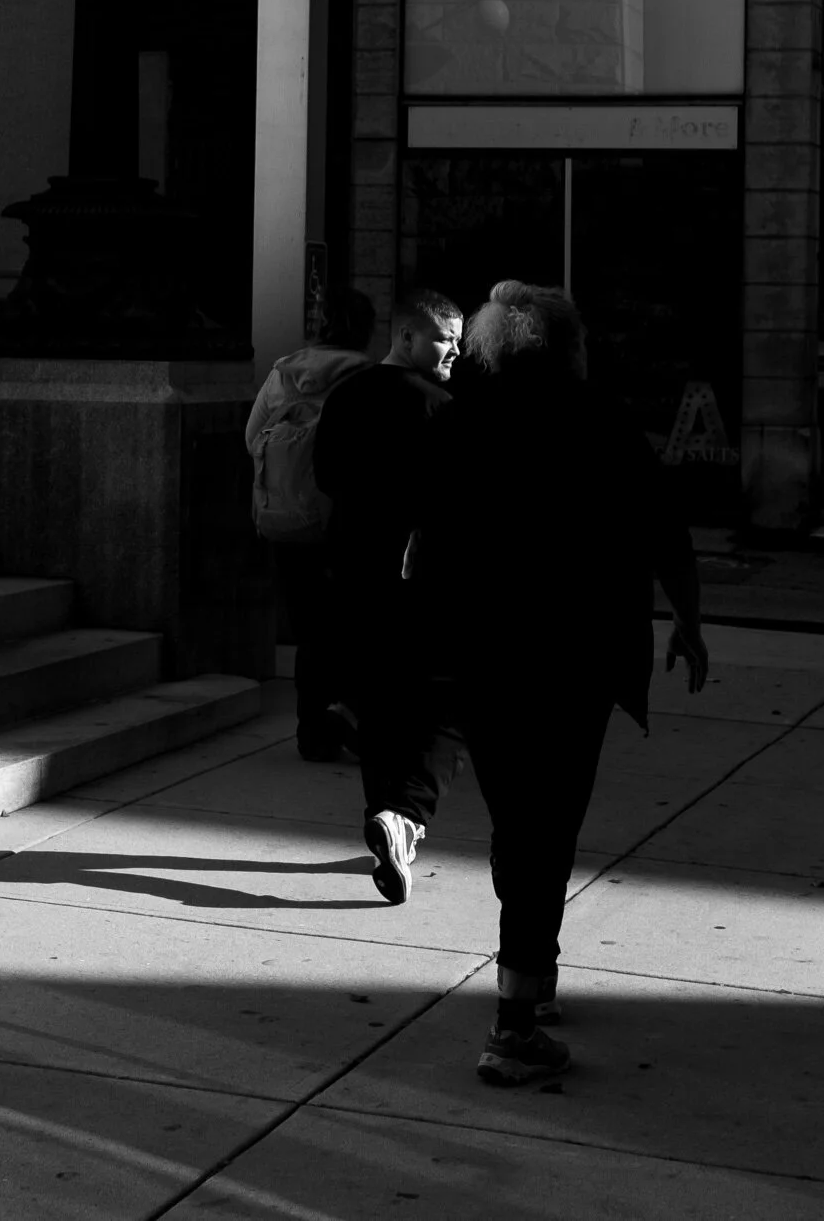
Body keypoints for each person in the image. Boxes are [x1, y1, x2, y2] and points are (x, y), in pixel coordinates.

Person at [393, 281, 709, 1088]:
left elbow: (421, 543)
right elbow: (664, 531)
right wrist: (688, 620)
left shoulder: (458, 423)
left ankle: (529, 976)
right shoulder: (602, 422)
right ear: (568, 347)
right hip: (576, 658)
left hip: (482, 656)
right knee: (548, 826)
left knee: (518, 823)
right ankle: (516, 1020)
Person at [313, 290, 463, 788]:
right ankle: (396, 792)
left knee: (368, 660)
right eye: (445, 340)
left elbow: (326, 474)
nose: (457, 352)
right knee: (409, 678)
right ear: (406, 336)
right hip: (409, 564)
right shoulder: (438, 407)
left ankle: (354, 724)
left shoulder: (346, 394)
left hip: (351, 551)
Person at [244, 288, 378, 758]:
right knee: (354, 625)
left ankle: (311, 733)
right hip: (341, 522)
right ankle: (347, 718)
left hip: (287, 522)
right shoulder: (367, 378)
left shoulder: (283, 373)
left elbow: (250, 437)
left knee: (309, 632)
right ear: (367, 329)